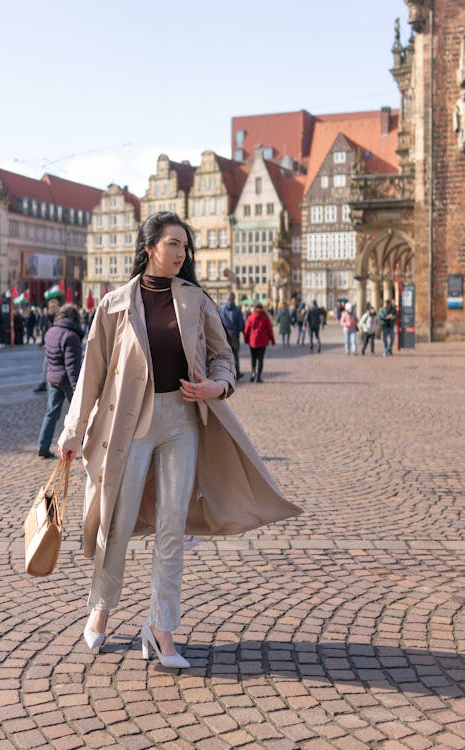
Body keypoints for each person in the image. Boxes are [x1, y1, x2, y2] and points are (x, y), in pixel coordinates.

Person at [56, 212, 299, 668]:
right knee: (117, 521)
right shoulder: (112, 305)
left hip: (182, 421)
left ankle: (161, 629)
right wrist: (72, 432)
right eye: (174, 244)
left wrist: (217, 387)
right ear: (149, 248)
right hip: (129, 425)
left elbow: (224, 357)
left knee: (172, 527)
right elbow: (91, 375)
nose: (182, 253)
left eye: (185, 246)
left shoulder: (196, 300)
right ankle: (101, 609)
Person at [37, 304, 83, 458]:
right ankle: (88, 446)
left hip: (53, 379)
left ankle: (42, 446)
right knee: (80, 415)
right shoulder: (71, 336)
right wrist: (76, 386)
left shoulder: (51, 331)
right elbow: (72, 365)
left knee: (51, 414)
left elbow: (49, 357)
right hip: (68, 382)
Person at [243, 302, 275, 382]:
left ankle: (253, 372)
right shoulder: (265, 318)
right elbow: (270, 331)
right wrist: (272, 340)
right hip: (262, 341)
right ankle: (259, 377)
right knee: (260, 359)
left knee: (253, 358)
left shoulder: (250, 318)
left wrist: (246, 339)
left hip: (252, 341)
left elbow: (246, 330)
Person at [34, 299, 60, 392]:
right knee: (46, 364)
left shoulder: (60, 318)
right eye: (51, 307)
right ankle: (43, 382)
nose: (52, 309)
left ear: (57, 307)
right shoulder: (46, 317)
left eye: (54, 307)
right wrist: (43, 343)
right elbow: (44, 332)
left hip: (59, 345)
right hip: (49, 345)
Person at [218, 292, 245, 379]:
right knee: (235, 354)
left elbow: (217, 322)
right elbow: (241, 325)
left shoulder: (221, 309)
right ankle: (237, 373)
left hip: (223, 335)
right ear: (234, 299)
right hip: (234, 335)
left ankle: (225, 373)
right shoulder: (237, 310)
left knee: (224, 355)